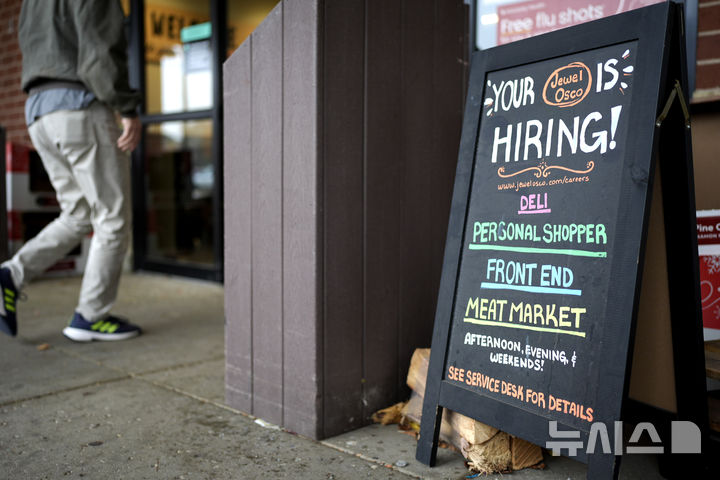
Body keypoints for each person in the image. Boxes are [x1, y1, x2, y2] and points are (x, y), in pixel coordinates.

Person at [0, 0, 142, 341]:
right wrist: (127, 108)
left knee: (78, 213)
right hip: (78, 106)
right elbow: (100, 49)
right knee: (113, 216)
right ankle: (91, 316)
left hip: (38, 112)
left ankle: (10, 274)